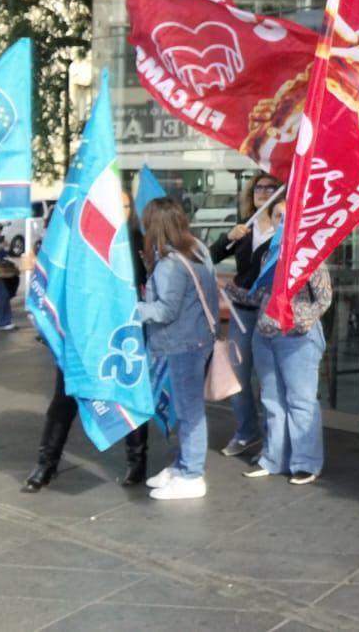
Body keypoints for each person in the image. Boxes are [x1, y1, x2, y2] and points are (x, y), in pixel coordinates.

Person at [21, 194, 150, 493]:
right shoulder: (76, 238)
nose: (119, 210)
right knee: (64, 399)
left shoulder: (133, 239)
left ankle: (137, 461)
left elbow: (141, 281)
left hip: (118, 331)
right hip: (79, 331)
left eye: (126, 206)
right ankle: (46, 464)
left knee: (126, 393)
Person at [246, 194, 333, 485]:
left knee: (301, 401)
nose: (282, 222)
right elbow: (261, 294)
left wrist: (299, 322)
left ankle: (305, 462)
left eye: (287, 216)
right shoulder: (268, 254)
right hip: (266, 336)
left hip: (296, 339)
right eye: (278, 217)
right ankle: (274, 458)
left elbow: (323, 297)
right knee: (272, 400)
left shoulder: (308, 254)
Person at [136, 198, 219, 501]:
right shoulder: (197, 248)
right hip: (197, 340)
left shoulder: (171, 262)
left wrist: (134, 310)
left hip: (182, 343)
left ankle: (192, 474)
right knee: (187, 409)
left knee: (188, 411)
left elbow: (165, 311)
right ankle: (183, 465)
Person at [208, 173, 282, 459]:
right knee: (238, 375)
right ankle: (246, 431)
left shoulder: (283, 227)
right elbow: (210, 256)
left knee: (268, 379)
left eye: (270, 187)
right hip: (242, 313)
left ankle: (273, 442)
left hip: (269, 313)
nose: (263, 192)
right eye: (258, 188)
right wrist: (229, 238)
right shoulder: (244, 228)